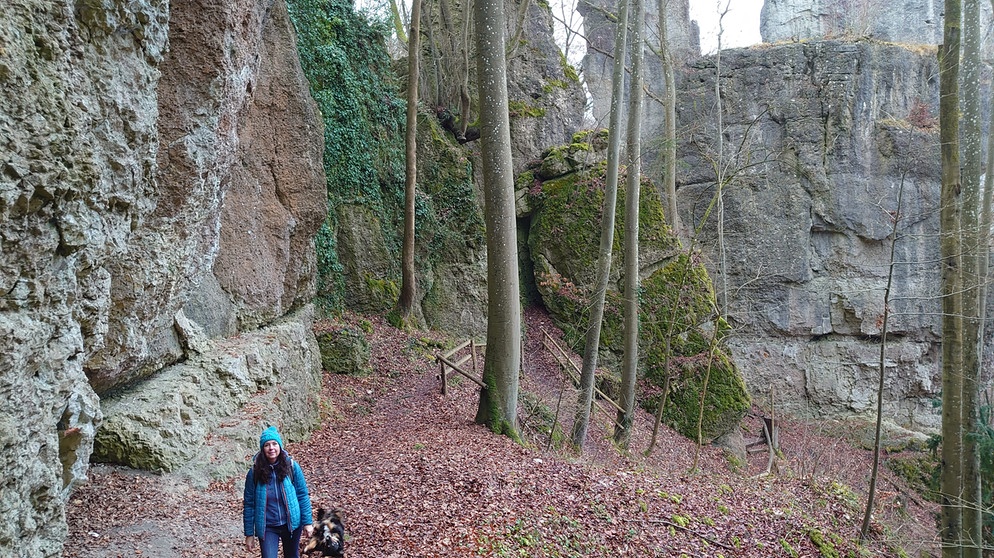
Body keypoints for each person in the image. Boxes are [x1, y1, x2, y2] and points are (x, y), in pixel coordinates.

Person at [243, 426, 314, 558]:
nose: (271, 448)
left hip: (291, 524)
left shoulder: (291, 466)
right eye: (267, 445)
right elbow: (249, 504)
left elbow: (302, 495)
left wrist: (307, 522)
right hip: (268, 527)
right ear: (262, 449)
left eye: (274, 444)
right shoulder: (254, 472)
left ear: (280, 446)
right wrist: (249, 534)